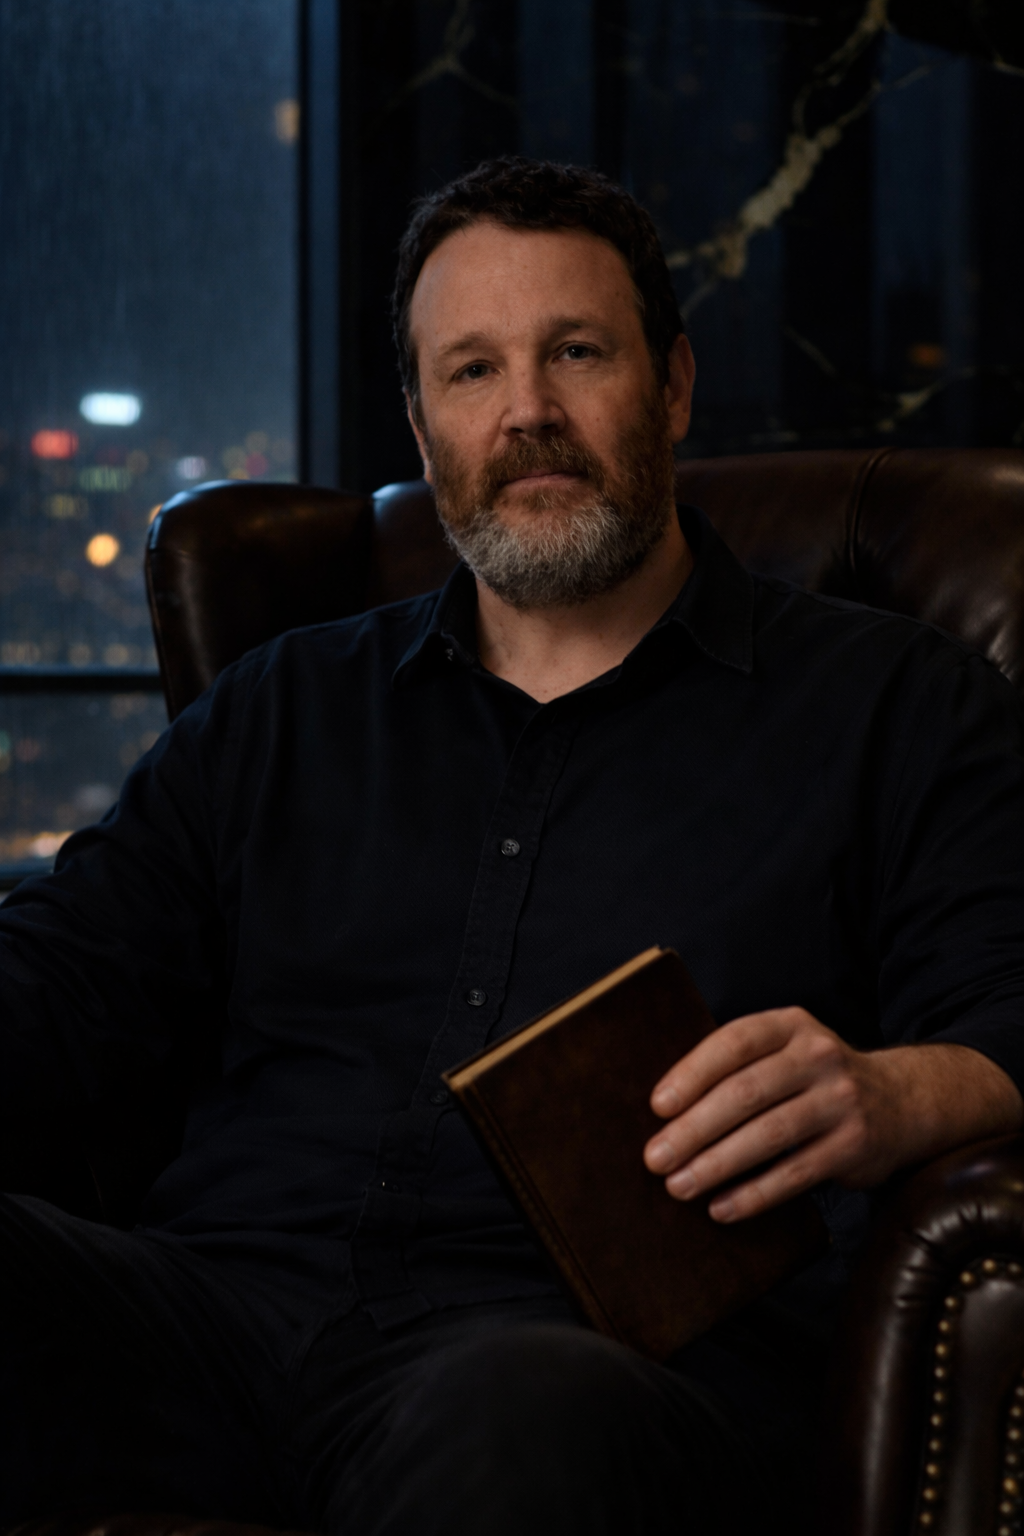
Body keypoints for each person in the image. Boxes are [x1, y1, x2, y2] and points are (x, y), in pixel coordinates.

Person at [0, 156, 1021, 1535]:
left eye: (576, 353)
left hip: (585, 1375)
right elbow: (63, 986)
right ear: (423, 431)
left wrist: (891, 1095)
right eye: (472, 372)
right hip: (216, 1321)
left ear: (670, 387)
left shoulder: (898, 704)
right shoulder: (287, 706)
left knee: (518, 1410)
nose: (527, 412)